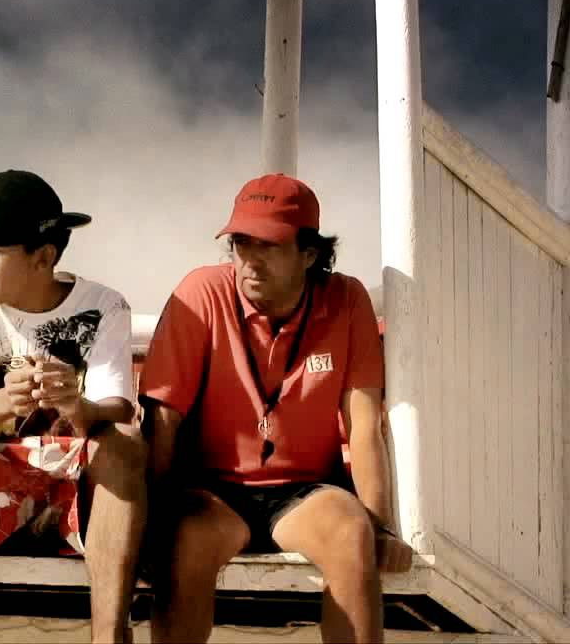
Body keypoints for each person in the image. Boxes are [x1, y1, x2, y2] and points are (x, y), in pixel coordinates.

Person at [140, 173, 414, 644]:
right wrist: (151, 519)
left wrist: (380, 526)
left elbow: (364, 424)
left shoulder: (346, 300)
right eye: (241, 243)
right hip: (212, 492)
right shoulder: (203, 291)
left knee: (353, 532)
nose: (250, 259)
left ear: (310, 254)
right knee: (184, 541)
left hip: (306, 491)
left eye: (268, 245)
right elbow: (162, 417)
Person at [0, 170, 147, 643]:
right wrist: (4, 402)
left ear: (43, 257)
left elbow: (117, 411)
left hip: (71, 492)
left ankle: (108, 638)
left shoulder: (103, 306)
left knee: (124, 443)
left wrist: (74, 404)